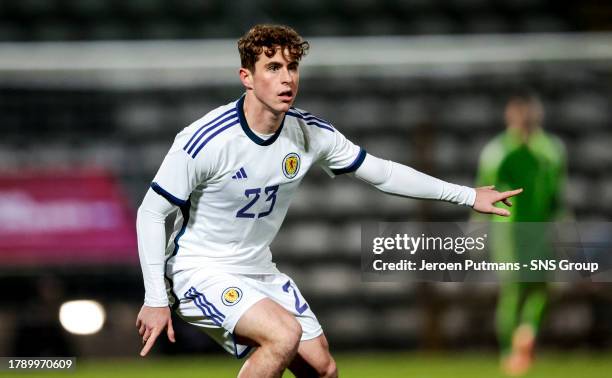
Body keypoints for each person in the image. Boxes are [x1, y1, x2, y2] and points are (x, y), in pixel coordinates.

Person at [135, 24, 522, 378]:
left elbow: (383, 173)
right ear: (246, 78)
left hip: (258, 269)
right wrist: (155, 298)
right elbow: (151, 212)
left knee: (323, 369)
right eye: (272, 68)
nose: (286, 78)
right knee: (283, 335)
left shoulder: (311, 134)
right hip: (197, 270)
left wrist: (468, 195)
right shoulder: (205, 140)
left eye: (292, 67)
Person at [475, 90, 567, 376]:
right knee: (526, 288)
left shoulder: (516, 150)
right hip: (522, 230)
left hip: (524, 229)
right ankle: (519, 342)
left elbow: (482, 193)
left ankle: (517, 344)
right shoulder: (539, 150)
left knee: (527, 289)